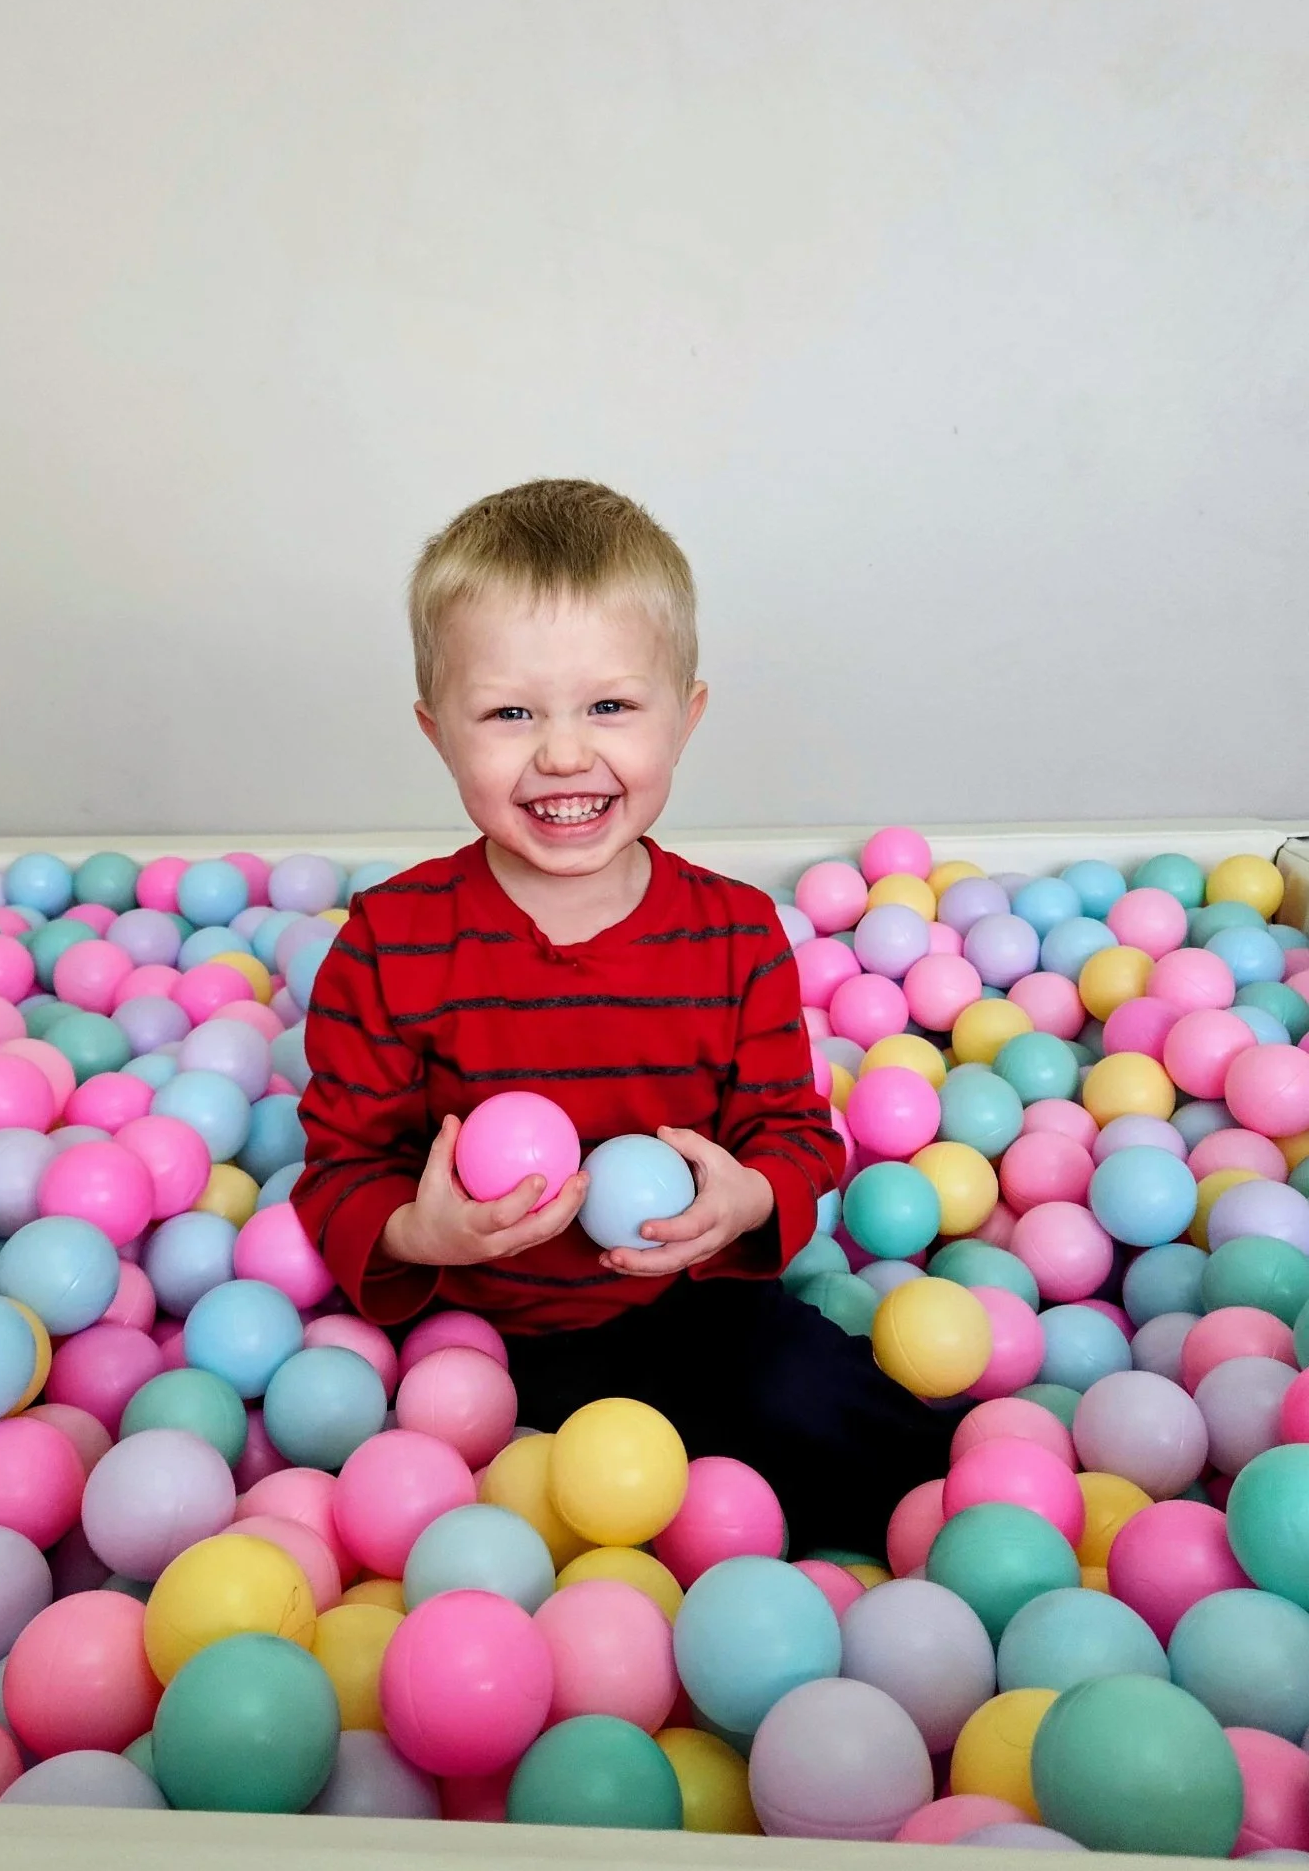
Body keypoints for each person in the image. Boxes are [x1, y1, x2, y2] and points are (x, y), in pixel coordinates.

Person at [292, 479, 952, 1552]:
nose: (561, 754)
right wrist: (421, 1231)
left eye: (610, 706)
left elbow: (790, 1133)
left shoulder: (734, 934)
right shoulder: (388, 942)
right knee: (427, 1509)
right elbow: (340, 1165)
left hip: (685, 1311)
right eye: (509, 713)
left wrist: (741, 1199)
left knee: (837, 1427)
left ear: (684, 716)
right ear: (435, 732)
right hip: (472, 1343)